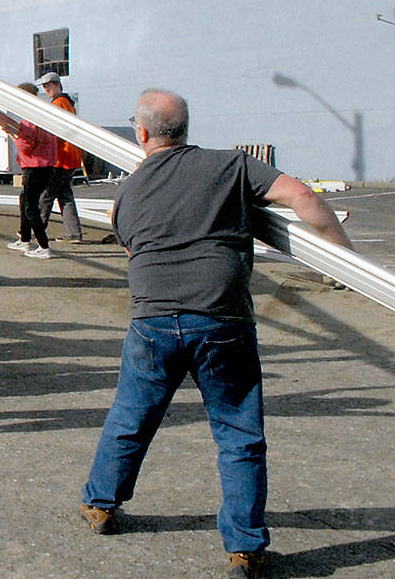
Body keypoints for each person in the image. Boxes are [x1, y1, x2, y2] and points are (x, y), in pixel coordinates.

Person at [78, 89, 353, 579]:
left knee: (131, 417)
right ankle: (245, 548)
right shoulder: (231, 166)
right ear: (185, 128)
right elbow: (302, 196)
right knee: (238, 433)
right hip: (221, 320)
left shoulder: (128, 190)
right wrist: (342, 257)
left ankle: (100, 504)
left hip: (152, 323)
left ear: (141, 133)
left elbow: (127, 240)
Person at [0, 83, 58, 258]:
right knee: (25, 200)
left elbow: (25, 146)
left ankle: (43, 245)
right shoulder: (42, 115)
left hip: (35, 167)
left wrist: (13, 134)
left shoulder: (30, 118)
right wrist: (16, 132)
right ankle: (25, 240)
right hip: (45, 165)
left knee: (30, 206)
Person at [37, 72, 84, 243]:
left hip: (62, 157)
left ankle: (38, 230)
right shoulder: (68, 102)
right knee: (65, 196)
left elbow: (56, 132)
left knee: (46, 195)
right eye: (44, 86)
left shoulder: (58, 103)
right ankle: (75, 234)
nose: (46, 89)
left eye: (49, 85)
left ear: (57, 84)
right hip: (71, 157)